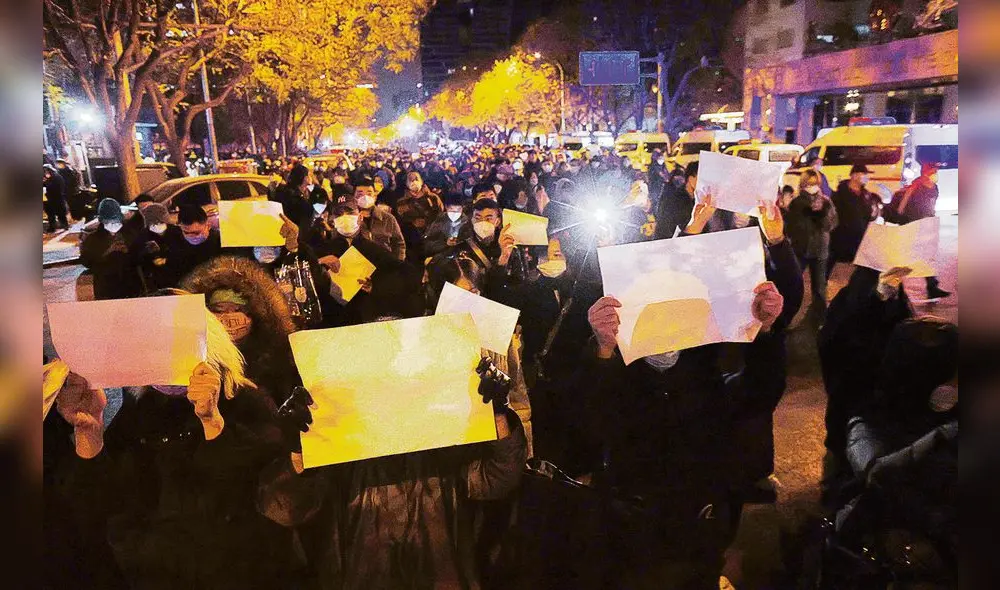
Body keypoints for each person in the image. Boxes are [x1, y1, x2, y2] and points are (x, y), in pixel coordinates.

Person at [576, 224, 797, 588]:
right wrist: (602, 350)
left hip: (702, 519)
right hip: (632, 520)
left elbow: (761, 392)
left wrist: (767, 331)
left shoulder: (708, 376)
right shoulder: (619, 370)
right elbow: (594, 420)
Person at [257, 323, 527, 590]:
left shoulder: (445, 438)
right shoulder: (337, 447)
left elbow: (499, 478)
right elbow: (281, 509)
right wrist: (300, 450)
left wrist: (496, 413)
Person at [52, 307, 296, 589]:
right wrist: (89, 432)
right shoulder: (143, 411)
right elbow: (99, 508)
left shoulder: (246, 402)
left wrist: (213, 423)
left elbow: (266, 498)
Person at [180, 256, 301, 406]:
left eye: (238, 309)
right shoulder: (193, 363)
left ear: (257, 314)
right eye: (219, 310)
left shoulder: (279, 361)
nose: (229, 318)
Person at [886, 161, 951, 301]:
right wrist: (904, 221)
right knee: (904, 259)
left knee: (926, 257)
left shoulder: (934, 187)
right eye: (933, 171)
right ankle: (890, 286)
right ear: (925, 173)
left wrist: (931, 220)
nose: (935, 174)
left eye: (936, 171)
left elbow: (931, 206)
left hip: (926, 225)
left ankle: (932, 287)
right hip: (912, 225)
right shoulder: (916, 186)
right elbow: (903, 206)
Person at [786, 169, 838, 312]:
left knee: (819, 287)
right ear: (803, 184)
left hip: (820, 249)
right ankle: (788, 310)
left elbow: (832, 224)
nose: (812, 187)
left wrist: (822, 213)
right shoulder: (796, 203)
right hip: (800, 249)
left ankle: (819, 314)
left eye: (814, 183)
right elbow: (790, 227)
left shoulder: (826, 202)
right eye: (808, 184)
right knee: (793, 282)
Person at [79, 198, 143, 300]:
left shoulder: (130, 233)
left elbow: (140, 258)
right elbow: (86, 261)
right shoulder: (94, 238)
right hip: (106, 288)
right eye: (109, 222)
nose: (113, 226)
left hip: (131, 286)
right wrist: (107, 252)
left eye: (116, 222)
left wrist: (129, 252)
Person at [830, 164, 881, 277]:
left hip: (859, 239)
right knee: (830, 265)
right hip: (841, 238)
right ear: (854, 175)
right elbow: (833, 215)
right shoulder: (840, 194)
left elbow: (868, 215)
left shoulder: (866, 194)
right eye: (863, 174)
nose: (866, 177)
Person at [164, 204, 223, 285]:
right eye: (186, 232)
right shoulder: (175, 242)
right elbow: (171, 272)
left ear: (208, 226)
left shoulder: (220, 242)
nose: (191, 236)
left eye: (196, 232)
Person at [395, 171, 444, 266]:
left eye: (416, 179)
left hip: (432, 240)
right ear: (406, 183)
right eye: (411, 180)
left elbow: (441, 216)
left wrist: (428, 223)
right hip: (412, 243)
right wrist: (412, 223)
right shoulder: (402, 202)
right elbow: (399, 222)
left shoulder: (433, 198)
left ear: (421, 181)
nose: (414, 182)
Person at [354, 175, 405, 261]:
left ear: (375, 196)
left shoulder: (388, 218)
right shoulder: (348, 219)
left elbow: (399, 244)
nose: (365, 197)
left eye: (369, 193)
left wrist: (398, 263)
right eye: (360, 194)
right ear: (354, 197)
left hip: (384, 264)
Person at [129, 203, 175, 293]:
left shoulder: (176, 232)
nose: (158, 225)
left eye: (161, 222)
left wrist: (168, 257)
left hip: (178, 277)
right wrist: (146, 253)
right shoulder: (142, 238)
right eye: (154, 223)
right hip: (154, 283)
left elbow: (185, 252)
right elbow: (133, 260)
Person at [424, 192, 473, 258]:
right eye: (451, 210)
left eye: (458, 210)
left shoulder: (467, 223)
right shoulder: (439, 220)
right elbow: (427, 244)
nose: (455, 213)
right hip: (440, 258)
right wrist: (445, 244)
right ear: (446, 207)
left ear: (463, 208)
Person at [273, 163, 315, 232]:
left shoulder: (282, 192)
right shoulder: (298, 200)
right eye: (309, 175)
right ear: (304, 178)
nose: (311, 177)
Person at [43, 164, 69, 232]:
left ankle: (64, 225)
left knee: (60, 213)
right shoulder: (48, 177)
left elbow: (57, 187)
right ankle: (52, 227)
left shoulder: (56, 177)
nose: (45, 172)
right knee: (50, 214)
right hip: (49, 199)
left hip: (57, 198)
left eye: (46, 170)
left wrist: (46, 184)